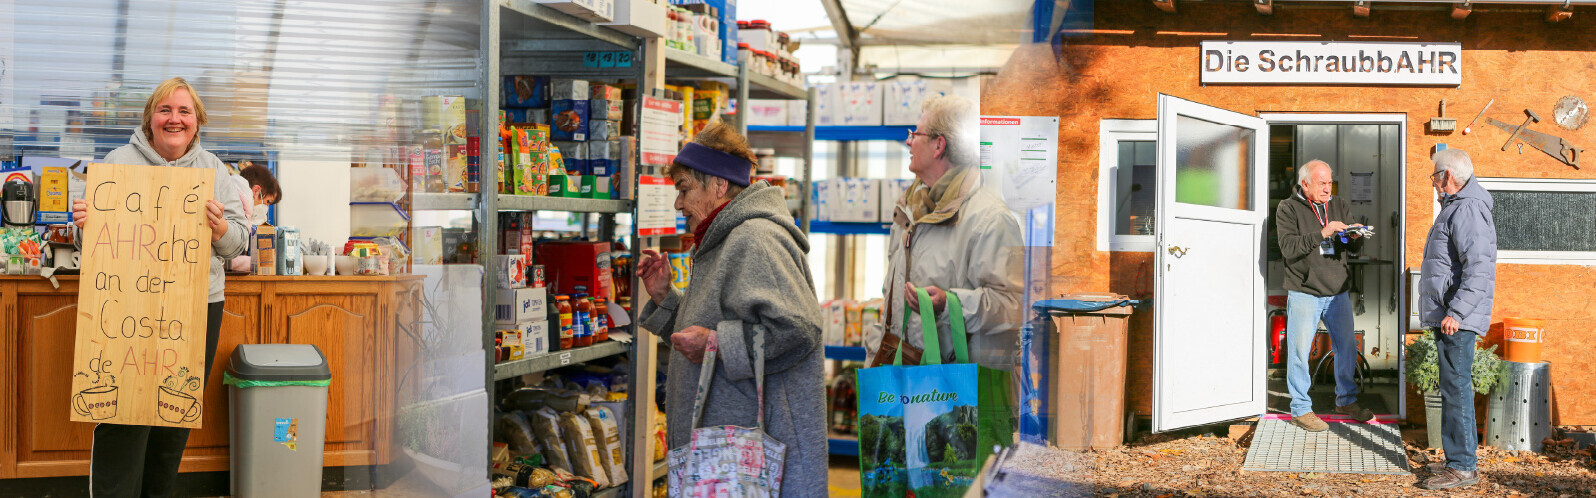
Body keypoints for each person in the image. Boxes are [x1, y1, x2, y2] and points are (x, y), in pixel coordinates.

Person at [70, 76, 249, 497]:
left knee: (173, 418)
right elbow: (87, 242)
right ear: (150, 118)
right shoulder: (118, 161)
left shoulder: (213, 169)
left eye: (184, 111)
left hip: (197, 306)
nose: (174, 119)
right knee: (122, 415)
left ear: (197, 120)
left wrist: (221, 229)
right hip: (125, 303)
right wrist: (83, 225)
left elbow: (239, 241)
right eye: (165, 110)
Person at [636, 123, 826, 496]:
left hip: (751, 461)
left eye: (684, 189)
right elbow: (712, 327)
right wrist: (665, 299)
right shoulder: (723, 240)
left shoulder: (755, 239)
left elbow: (800, 329)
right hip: (727, 459)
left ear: (719, 185)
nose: (678, 204)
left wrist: (716, 344)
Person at [864, 95, 1023, 371]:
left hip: (952, 385)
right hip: (904, 378)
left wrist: (949, 305)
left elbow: (1013, 304)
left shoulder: (989, 218)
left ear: (939, 145)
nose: (908, 142)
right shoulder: (908, 210)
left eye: (915, 134)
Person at [1274, 159, 1374, 431]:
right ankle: (1301, 409)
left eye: (1330, 182)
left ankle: (1346, 401)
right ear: (1305, 184)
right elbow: (1288, 248)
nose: (1328, 188)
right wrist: (1323, 232)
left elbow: (1348, 248)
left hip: (1337, 290)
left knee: (1347, 348)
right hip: (1304, 291)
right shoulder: (1288, 208)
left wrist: (1354, 238)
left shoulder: (1338, 205)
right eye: (1322, 183)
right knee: (1299, 351)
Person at [1417, 148, 1496, 491]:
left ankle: (1463, 467)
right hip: (1453, 315)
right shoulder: (1458, 206)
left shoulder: (1467, 208)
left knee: (1456, 389)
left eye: (1435, 176)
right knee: (1452, 387)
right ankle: (1458, 461)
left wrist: (1457, 311)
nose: (1434, 183)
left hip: (1457, 318)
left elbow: (1479, 268)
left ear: (1447, 176)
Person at [228, 162, 282, 272]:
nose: (266, 208)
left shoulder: (240, 208)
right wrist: (257, 262)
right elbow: (227, 259)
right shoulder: (234, 210)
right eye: (267, 202)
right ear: (256, 190)